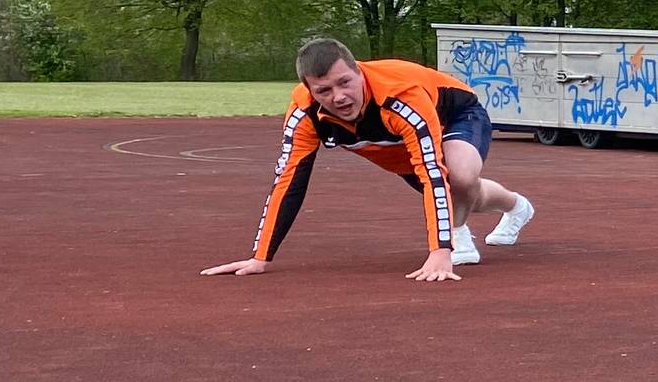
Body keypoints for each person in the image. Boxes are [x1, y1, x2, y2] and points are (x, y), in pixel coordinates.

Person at [204, 38, 535, 282]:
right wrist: (261, 256)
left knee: (457, 177)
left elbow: (432, 171)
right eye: (324, 90)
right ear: (308, 89)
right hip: (391, 147)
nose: (339, 97)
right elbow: (289, 180)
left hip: (455, 116)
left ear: (359, 73)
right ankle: (516, 205)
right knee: (461, 191)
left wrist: (439, 250)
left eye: (345, 82)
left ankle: (459, 236)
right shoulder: (304, 114)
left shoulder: (400, 96)